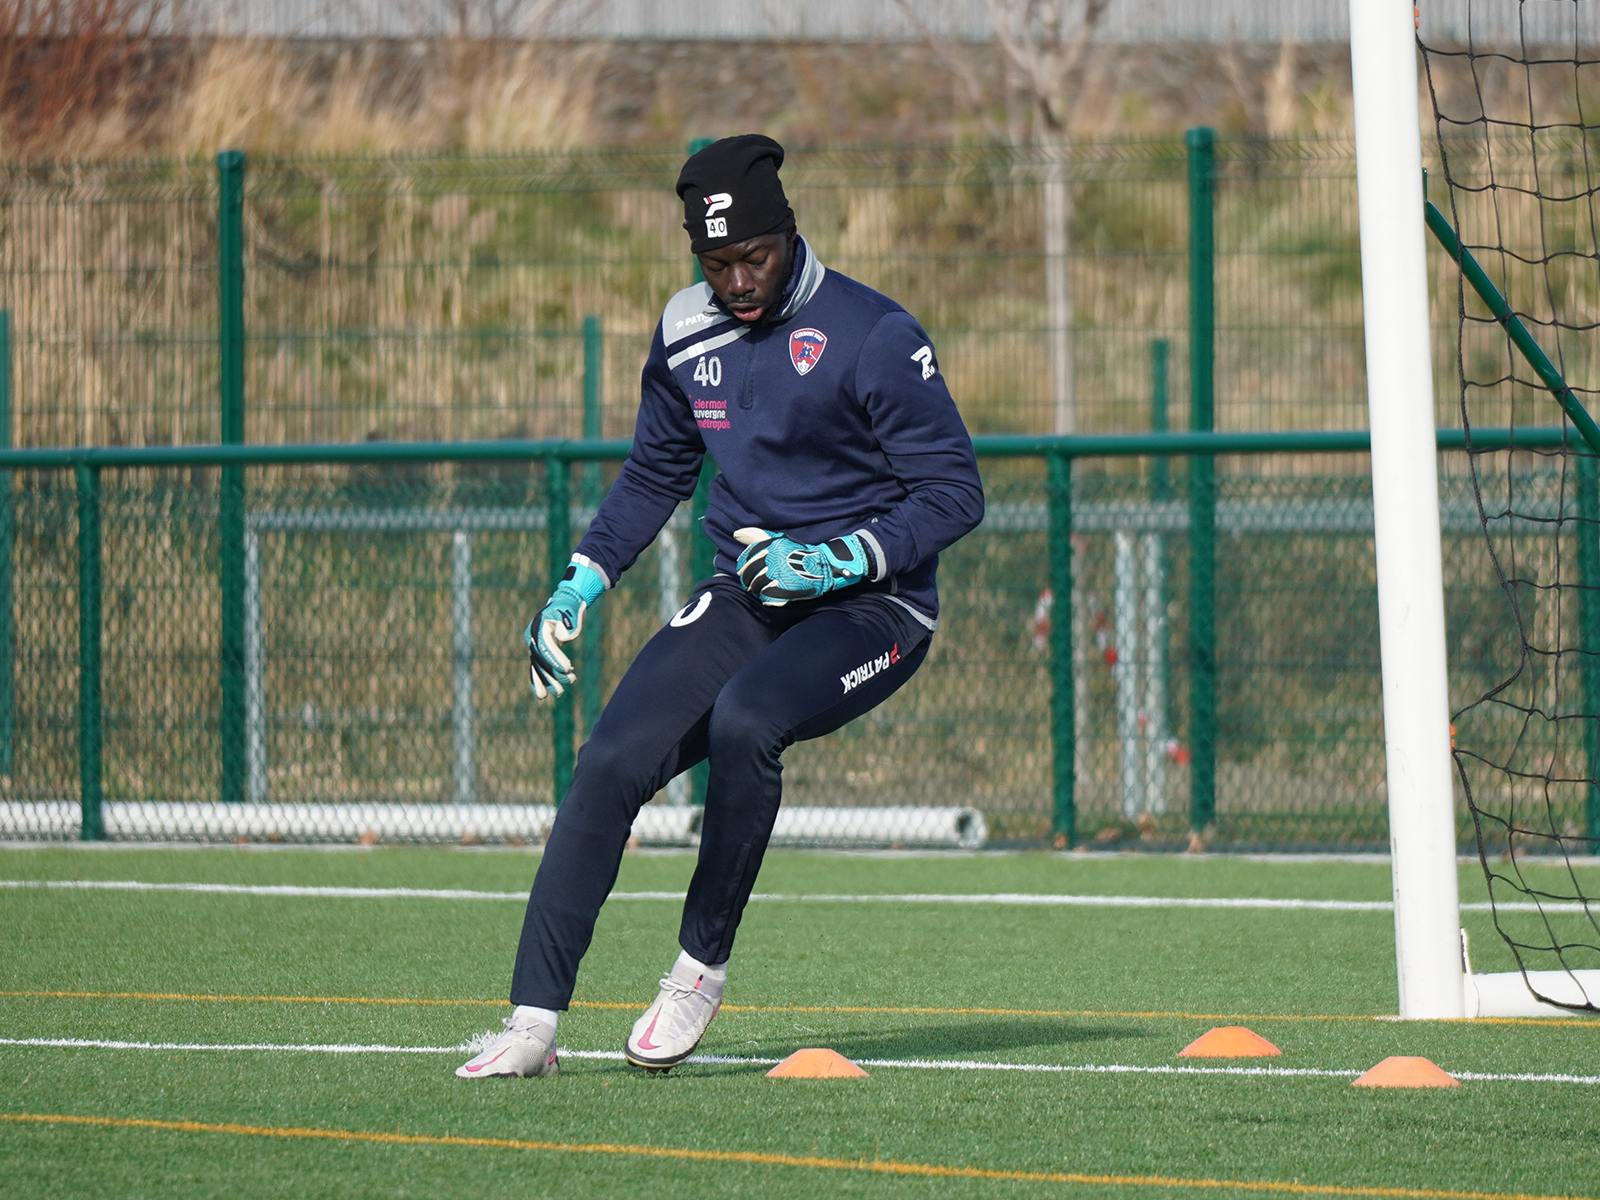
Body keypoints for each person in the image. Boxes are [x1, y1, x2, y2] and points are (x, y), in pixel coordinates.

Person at [457, 134, 984, 1079]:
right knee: (609, 760)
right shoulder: (683, 331)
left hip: (874, 608)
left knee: (747, 720)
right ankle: (532, 1025)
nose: (738, 281)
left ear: (790, 235)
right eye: (716, 263)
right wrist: (580, 581)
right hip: (746, 592)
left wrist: (839, 559)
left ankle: (697, 971)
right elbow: (655, 472)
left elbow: (955, 493)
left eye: (756, 257)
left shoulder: (875, 334)